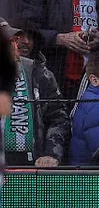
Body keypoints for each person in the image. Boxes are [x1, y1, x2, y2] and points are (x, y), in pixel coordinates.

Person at [0, 20, 67, 167]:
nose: (14, 46)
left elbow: (58, 117)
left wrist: (52, 153)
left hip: (31, 165)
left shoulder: (37, 72)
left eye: (13, 40)